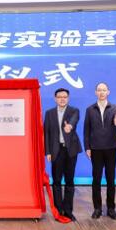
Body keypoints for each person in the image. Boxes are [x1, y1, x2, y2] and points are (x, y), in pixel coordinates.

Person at [83, 82, 116, 220]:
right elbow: (86, 130)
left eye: (104, 90)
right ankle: (97, 208)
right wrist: (87, 147)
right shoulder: (90, 109)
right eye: (99, 90)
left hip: (111, 148)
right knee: (96, 179)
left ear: (108, 92)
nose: (101, 92)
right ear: (95, 92)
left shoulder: (115, 108)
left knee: (111, 179)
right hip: (96, 148)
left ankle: (111, 209)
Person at [44, 88, 82, 221]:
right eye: (59, 97)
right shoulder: (49, 113)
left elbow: (74, 120)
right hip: (56, 150)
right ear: (55, 99)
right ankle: (58, 210)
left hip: (70, 150)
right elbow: (47, 133)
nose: (62, 99)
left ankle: (68, 211)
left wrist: (69, 126)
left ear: (68, 98)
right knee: (57, 181)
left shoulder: (74, 111)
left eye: (65, 97)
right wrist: (47, 151)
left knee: (69, 181)